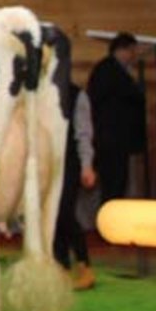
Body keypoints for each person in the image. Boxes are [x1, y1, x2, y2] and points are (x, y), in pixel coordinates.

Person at [87, 32, 146, 203]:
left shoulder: (109, 70)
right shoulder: (111, 71)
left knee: (115, 185)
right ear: (122, 50)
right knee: (113, 185)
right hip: (112, 140)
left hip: (112, 139)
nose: (133, 56)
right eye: (132, 51)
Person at [53, 82, 97, 290]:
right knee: (51, 216)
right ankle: (61, 266)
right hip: (47, 163)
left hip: (70, 162)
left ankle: (84, 265)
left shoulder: (77, 95)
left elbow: (84, 133)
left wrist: (86, 166)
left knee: (64, 213)